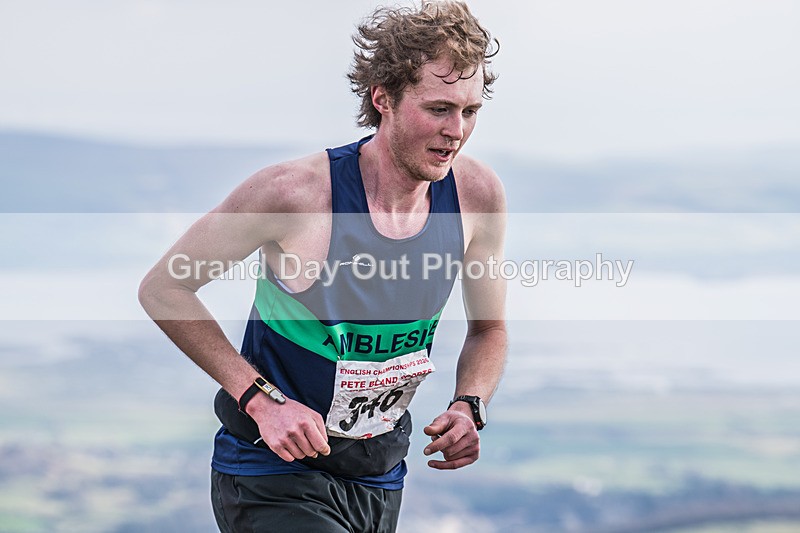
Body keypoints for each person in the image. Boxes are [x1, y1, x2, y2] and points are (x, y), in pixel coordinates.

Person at [138, 1, 507, 531]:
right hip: (272, 473)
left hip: (378, 474)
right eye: (439, 108)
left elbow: (489, 330)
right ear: (384, 98)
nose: (457, 130)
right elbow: (164, 290)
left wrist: (470, 404)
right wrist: (263, 403)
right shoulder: (295, 193)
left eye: (470, 111)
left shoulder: (477, 195)